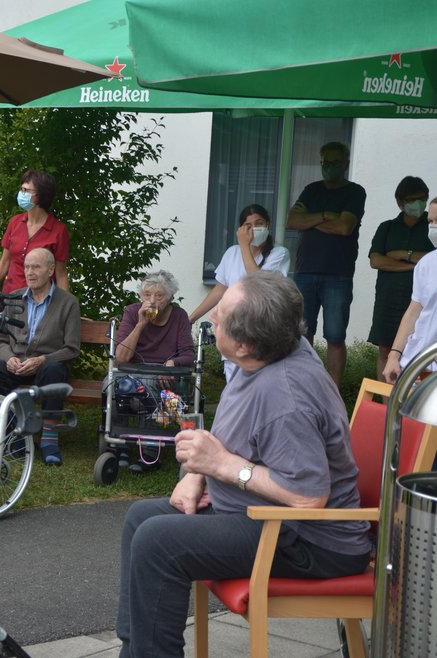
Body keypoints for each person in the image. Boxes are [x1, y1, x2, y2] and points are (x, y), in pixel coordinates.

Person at [116, 271, 371, 658]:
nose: (212, 315)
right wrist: (197, 476)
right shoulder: (266, 353)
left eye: (221, 315)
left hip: (309, 541)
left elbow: (308, 497)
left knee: (158, 543)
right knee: (140, 518)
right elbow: (236, 440)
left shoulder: (286, 396)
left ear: (246, 344)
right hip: (264, 517)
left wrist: (222, 466)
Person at [0, 247, 80, 466]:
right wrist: (9, 357)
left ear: (50, 270)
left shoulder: (68, 303)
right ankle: (14, 433)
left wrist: (42, 360)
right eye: (27, 266)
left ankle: (49, 438)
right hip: (16, 366)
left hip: (44, 369)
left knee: (55, 370)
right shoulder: (13, 299)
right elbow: (0, 341)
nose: (29, 272)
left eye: (35, 267)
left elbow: (72, 348)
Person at [286, 141, 367, 387]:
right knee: (302, 334)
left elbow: (344, 227)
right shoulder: (311, 190)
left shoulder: (354, 192)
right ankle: (304, 387)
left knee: (335, 336)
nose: (328, 167)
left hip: (338, 274)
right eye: (324, 163)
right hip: (305, 271)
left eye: (334, 163)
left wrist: (309, 219)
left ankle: (332, 393)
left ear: (345, 164)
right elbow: (292, 221)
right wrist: (325, 215)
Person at [189, 204, 290, 380]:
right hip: (233, 327)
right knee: (234, 382)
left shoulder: (279, 253)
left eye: (259, 223)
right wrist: (191, 318)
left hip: (262, 327)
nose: (254, 229)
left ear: (268, 224)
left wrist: (245, 247)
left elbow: (258, 283)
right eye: (248, 226)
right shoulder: (231, 253)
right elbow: (219, 290)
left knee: (260, 382)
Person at [368, 177, 433, 380]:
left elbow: (430, 260)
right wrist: (414, 264)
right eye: (412, 199)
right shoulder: (386, 228)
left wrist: (404, 254)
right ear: (400, 201)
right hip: (388, 299)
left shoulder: (431, 227)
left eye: (422, 198)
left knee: (422, 356)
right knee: (386, 352)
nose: (418, 204)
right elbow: (376, 260)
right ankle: (387, 404)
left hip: (423, 304)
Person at [0, 170, 69, 300]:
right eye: (22, 189)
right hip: (10, 299)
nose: (22, 194)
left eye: (27, 191)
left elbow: (60, 273)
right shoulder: (15, 222)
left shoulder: (58, 230)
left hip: (41, 301)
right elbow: (4, 262)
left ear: (41, 196)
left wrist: (64, 306)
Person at [382, 199, 437, 384]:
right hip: (415, 364)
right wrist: (393, 356)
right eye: (430, 221)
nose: (433, 227)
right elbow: (414, 311)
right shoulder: (427, 263)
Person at [117, 270, 193, 368]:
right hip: (134, 371)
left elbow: (188, 355)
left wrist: (173, 363)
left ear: (170, 298)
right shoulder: (132, 312)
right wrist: (140, 325)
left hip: (164, 372)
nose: (152, 301)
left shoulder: (179, 316)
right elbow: (121, 358)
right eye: (147, 295)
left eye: (159, 296)